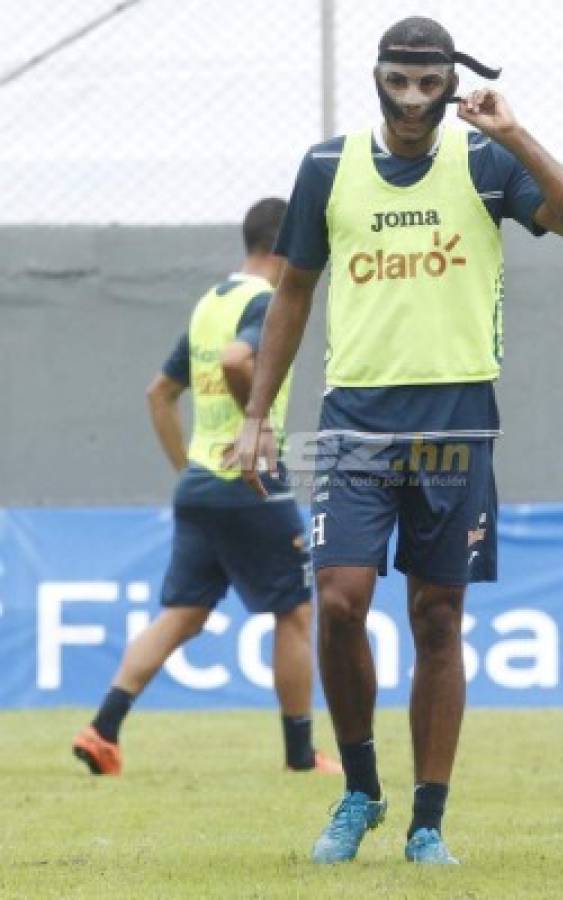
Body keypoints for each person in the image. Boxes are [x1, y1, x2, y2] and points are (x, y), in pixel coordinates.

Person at [228, 18, 563, 865]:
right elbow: (292, 291)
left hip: (459, 423)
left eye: (426, 83)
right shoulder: (327, 166)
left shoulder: (485, 163)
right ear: (375, 78)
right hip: (354, 425)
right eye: (397, 81)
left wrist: (517, 135)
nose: (410, 100)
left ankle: (427, 821)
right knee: (337, 602)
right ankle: (359, 791)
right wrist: (258, 415)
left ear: (450, 82)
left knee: (437, 619)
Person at [72, 197, 340, 778]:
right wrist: (258, 424)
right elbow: (238, 360)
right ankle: (300, 756)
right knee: (295, 613)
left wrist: (186, 467)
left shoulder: (211, 302)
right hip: (247, 480)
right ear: (283, 247)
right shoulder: (267, 301)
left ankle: (103, 729)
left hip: (199, 483)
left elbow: (158, 393)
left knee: (183, 614)